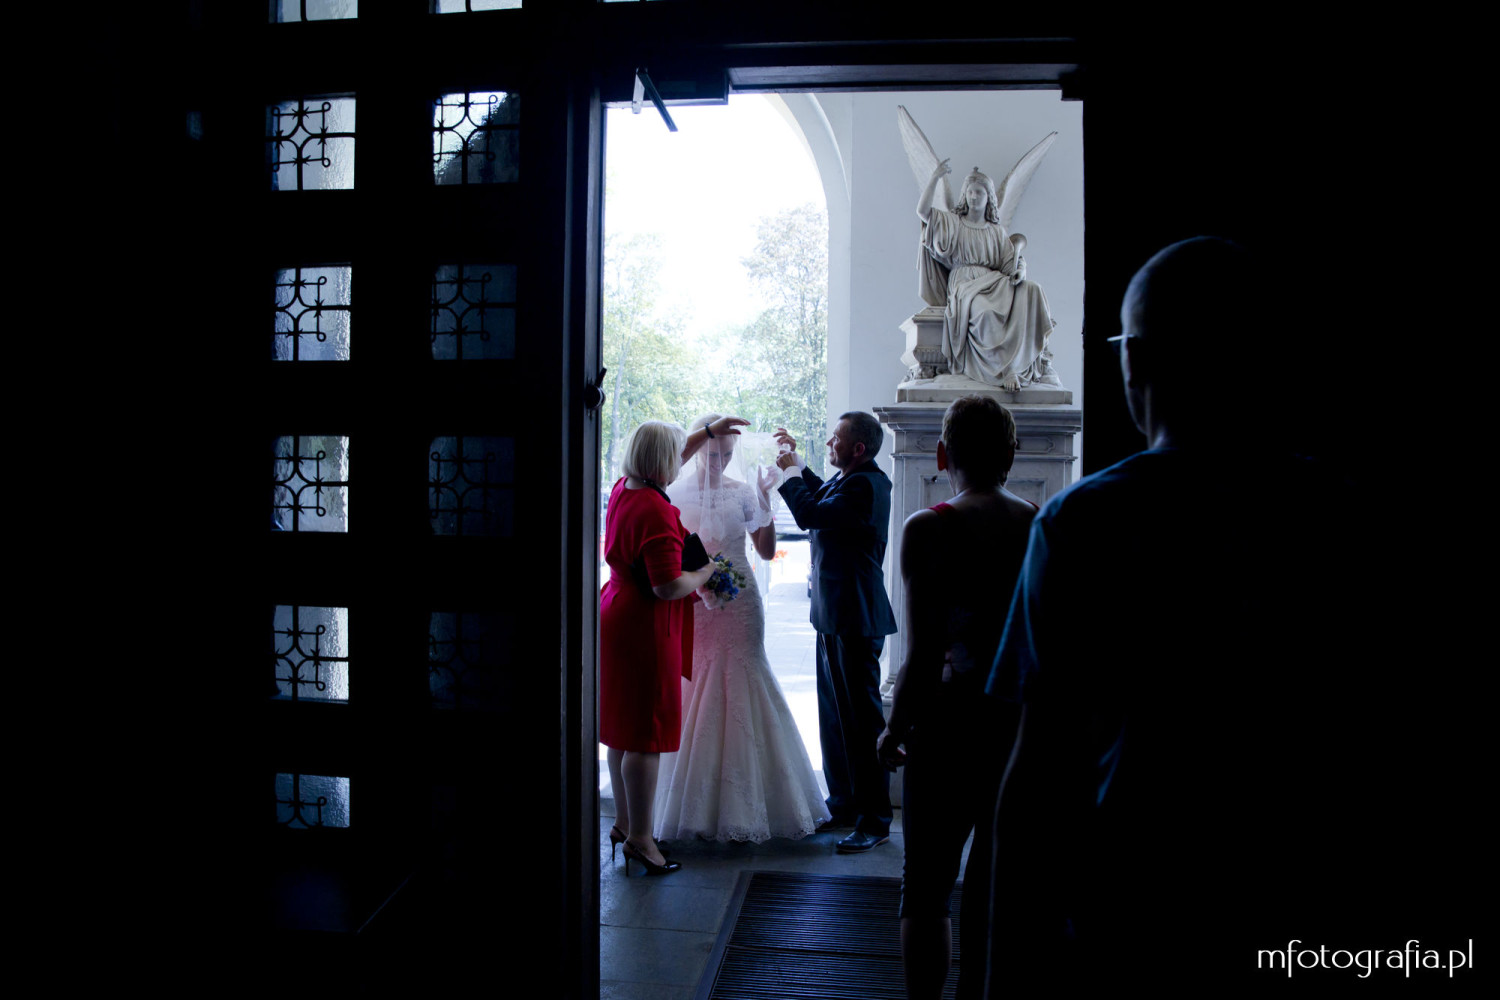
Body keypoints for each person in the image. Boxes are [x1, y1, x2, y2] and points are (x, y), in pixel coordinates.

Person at [982, 238, 1378, 990]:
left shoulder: (1083, 523)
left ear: (1134, 359)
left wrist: (1007, 974)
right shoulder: (1341, 513)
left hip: (1144, 898)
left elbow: (1040, 773)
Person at [876, 396, 1036, 999]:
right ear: (1011, 455)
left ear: (944, 454)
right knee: (997, 882)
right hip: (1017, 726)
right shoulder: (1040, 523)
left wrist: (895, 727)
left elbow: (922, 652)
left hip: (946, 728)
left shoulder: (928, 527)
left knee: (927, 885)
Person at [653, 415, 832, 842]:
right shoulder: (672, 492)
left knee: (745, 675)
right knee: (694, 682)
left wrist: (765, 498)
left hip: (742, 602)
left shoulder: (742, 492)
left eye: (728, 456)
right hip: (694, 598)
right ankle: (690, 803)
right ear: (700, 448)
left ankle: (752, 801)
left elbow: (767, 551)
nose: (720, 463)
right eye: (714, 454)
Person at [600, 417, 743, 875]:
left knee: (622, 726)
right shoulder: (656, 510)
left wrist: (706, 430)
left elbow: (666, 461)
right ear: (662, 462)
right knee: (646, 731)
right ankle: (642, 839)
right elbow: (667, 586)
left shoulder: (626, 487)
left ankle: (624, 823)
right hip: (645, 621)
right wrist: (706, 573)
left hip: (615, 612)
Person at [775, 412, 898, 854]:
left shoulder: (866, 485)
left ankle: (875, 820)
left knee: (863, 725)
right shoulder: (851, 479)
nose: (830, 441)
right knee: (835, 720)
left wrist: (790, 470)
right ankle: (843, 804)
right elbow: (821, 493)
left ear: (858, 449)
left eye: (836, 438)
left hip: (855, 617)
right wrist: (797, 462)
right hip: (832, 615)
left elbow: (809, 513)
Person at [917, 160, 1059, 391]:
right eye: (970, 192)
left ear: (988, 197)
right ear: (965, 196)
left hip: (994, 281)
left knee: (1032, 289)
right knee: (985, 311)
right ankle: (1002, 371)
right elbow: (923, 212)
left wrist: (1019, 271)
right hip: (966, 285)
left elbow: (1009, 261)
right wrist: (934, 178)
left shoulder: (995, 231)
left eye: (979, 192)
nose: (974, 197)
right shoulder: (953, 223)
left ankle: (1022, 363)